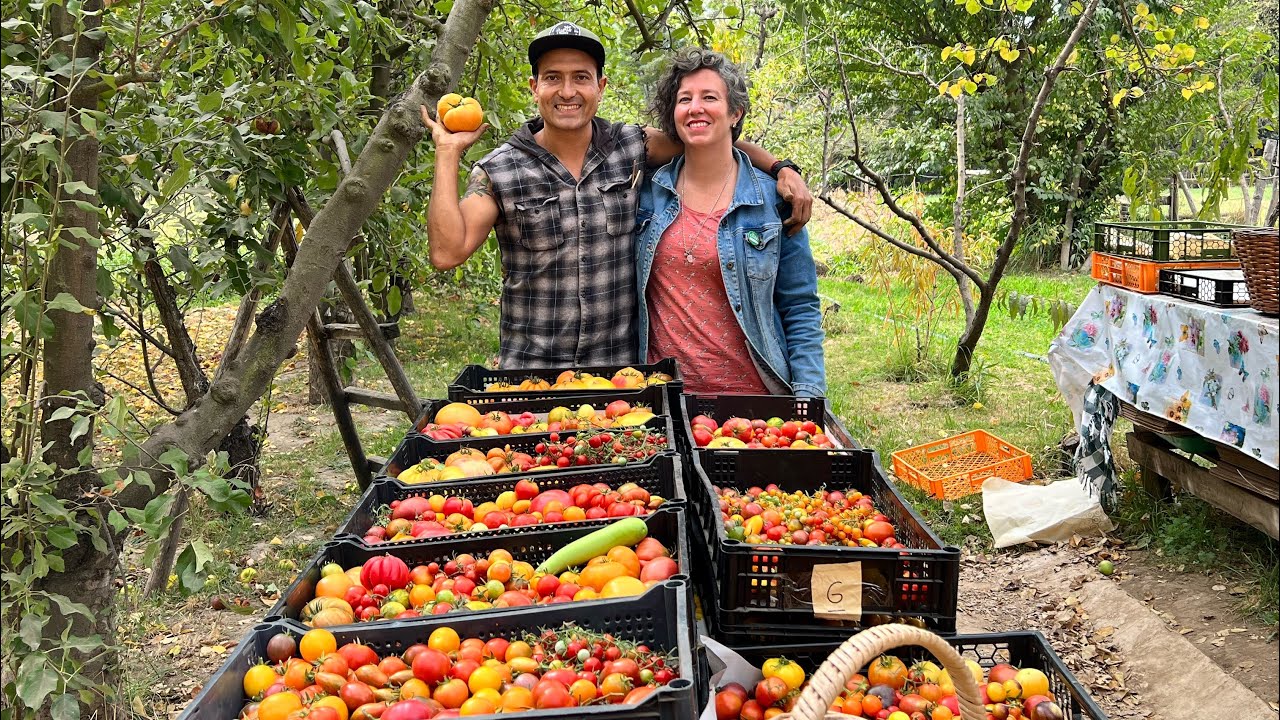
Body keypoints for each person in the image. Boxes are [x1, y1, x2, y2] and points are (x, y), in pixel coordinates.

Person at [420, 21, 812, 369]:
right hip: (531, 376)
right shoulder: (501, 168)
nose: (567, 91)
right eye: (553, 77)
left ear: (600, 86)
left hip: (620, 380)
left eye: (581, 77)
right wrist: (447, 152)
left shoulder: (631, 146)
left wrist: (780, 167)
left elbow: (709, 140)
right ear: (534, 87)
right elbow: (446, 252)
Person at [635, 48, 825, 397]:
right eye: (684, 99)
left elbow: (800, 306)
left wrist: (809, 395)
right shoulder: (648, 194)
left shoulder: (773, 202)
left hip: (757, 404)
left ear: (735, 111)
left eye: (710, 97)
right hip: (664, 402)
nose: (695, 108)